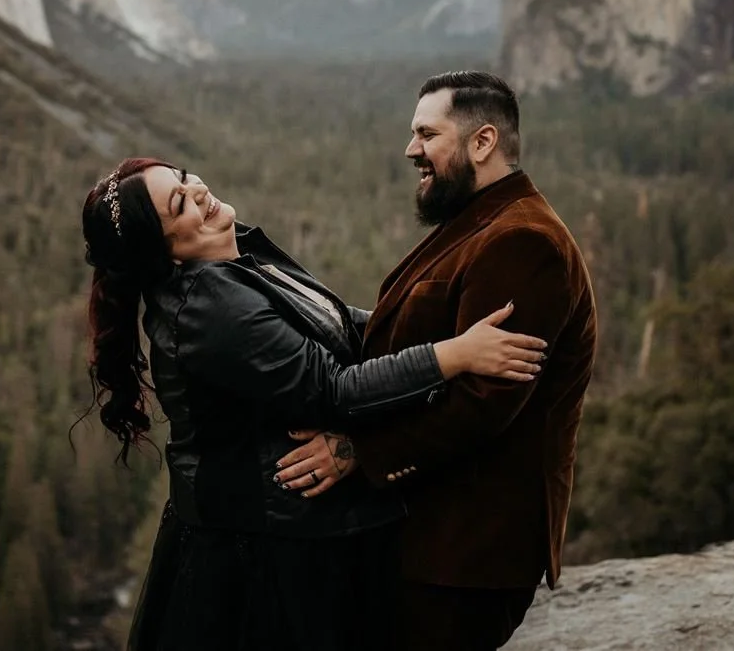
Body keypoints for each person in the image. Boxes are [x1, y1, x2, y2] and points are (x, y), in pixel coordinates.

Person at [81, 157, 547, 651]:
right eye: (179, 204)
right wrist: (452, 355)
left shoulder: (238, 258)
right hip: (266, 555)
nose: (195, 189)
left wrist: (449, 323)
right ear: (167, 253)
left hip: (294, 532)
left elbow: (343, 326)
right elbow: (334, 389)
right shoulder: (208, 308)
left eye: (181, 176)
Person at [274, 70, 597, 651]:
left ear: (483, 142)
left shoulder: (523, 242)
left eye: (427, 134)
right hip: (433, 539)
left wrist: (356, 452)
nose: (411, 150)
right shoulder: (477, 221)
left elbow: (483, 404)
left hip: (469, 551)